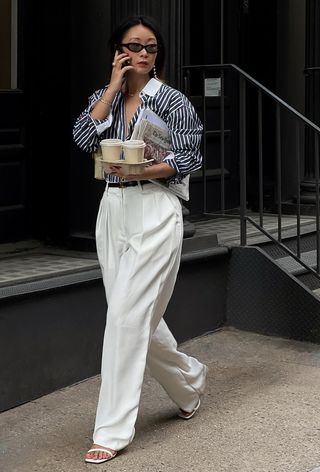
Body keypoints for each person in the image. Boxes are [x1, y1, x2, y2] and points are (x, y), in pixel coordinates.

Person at [73, 15, 208, 465]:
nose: (144, 54)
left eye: (151, 47)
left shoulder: (171, 100)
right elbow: (81, 137)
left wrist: (142, 170)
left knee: (126, 320)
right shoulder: (104, 98)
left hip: (154, 209)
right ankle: (189, 383)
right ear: (118, 51)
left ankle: (112, 430)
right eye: (134, 46)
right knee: (133, 318)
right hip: (112, 210)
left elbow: (191, 153)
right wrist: (112, 86)